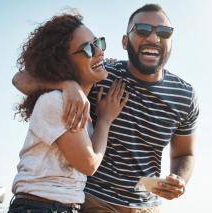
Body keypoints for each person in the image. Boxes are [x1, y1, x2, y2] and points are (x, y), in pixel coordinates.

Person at [12, 4, 199, 213]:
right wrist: (68, 85)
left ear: (172, 41)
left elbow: (185, 153)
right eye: (143, 30)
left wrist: (180, 179)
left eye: (164, 32)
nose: (154, 38)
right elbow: (21, 79)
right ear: (124, 41)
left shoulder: (185, 96)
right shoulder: (99, 74)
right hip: (93, 202)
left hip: (147, 206)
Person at [9, 13, 128, 213]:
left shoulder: (75, 101)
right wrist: (105, 120)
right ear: (64, 62)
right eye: (88, 49)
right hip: (42, 206)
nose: (99, 52)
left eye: (98, 43)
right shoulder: (57, 101)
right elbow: (88, 164)